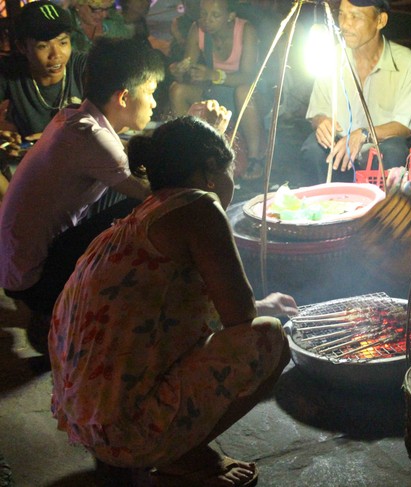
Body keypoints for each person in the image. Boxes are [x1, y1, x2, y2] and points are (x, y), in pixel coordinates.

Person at [49, 115, 297, 486]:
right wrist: (262, 311)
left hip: (88, 424)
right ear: (211, 171)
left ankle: (169, 445)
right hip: (128, 435)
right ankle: (182, 454)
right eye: (232, 173)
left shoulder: (145, 213)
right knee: (270, 340)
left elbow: (186, 312)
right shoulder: (199, 206)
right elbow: (240, 318)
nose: (235, 183)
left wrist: (263, 304)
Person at [0, 37, 166, 353]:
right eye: (151, 93)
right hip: (34, 279)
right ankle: (65, 310)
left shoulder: (73, 118)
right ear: (124, 97)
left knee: (123, 198)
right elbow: (158, 196)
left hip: (13, 266)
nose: (155, 103)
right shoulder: (97, 140)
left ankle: (62, 304)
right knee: (145, 207)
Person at [299, 0, 411, 187]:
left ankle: (385, 213)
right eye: (341, 14)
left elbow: (406, 126)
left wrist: (363, 134)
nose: (344, 24)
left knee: (394, 150)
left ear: (380, 21)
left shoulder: (407, 63)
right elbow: (317, 112)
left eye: (355, 16)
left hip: (379, 153)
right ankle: (326, 208)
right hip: (341, 155)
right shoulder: (332, 58)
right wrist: (322, 122)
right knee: (312, 148)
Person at [168, 0, 264, 180]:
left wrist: (214, 75)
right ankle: (188, 151)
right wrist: (179, 70)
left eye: (215, 15)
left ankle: (254, 158)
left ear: (230, 16)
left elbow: (249, 77)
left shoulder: (245, 31)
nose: (207, 20)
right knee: (177, 90)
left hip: (247, 95)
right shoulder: (198, 30)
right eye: (203, 14)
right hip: (217, 93)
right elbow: (188, 69)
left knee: (243, 91)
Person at [0, 0, 86, 196]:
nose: (56, 55)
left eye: (63, 42)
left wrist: (58, 136)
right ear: (22, 47)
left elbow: (115, 120)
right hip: (28, 169)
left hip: (79, 168)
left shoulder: (82, 66)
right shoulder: (9, 72)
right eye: (43, 46)